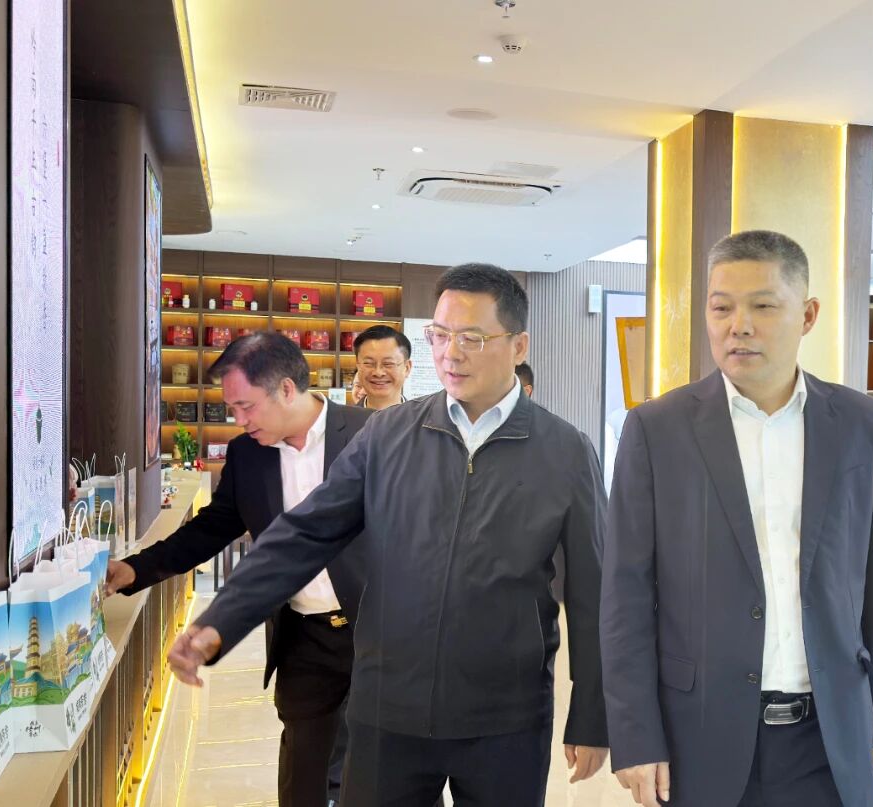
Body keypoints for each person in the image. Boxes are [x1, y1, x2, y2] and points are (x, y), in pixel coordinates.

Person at [164, 263, 610, 806]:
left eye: (471, 338)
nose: (451, 353)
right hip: (387, 710)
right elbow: (306, 532)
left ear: (518, 346)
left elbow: (593, 591)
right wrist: (222, 618)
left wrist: (593, 713)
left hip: (506, 718)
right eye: (440, 335)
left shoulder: (565, 451)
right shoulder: (388, 434)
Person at [601, 230, 873, 806]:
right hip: (701, 731)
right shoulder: (657, 429)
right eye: (721, 308)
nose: (737, 326)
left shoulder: (861, 424)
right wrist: (636, 735)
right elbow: (625, 596)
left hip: (833, 733)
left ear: (808, 315)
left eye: (763, 306)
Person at [106, 333, 373, 807]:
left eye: (246, 406)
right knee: (304, 769)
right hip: (303, 638)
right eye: (231, 408)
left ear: (286, 389)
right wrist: (135, 569)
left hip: (378, 631)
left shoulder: (371, 433)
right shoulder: (249, 453)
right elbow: (213, 528)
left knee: (388, 766)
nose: (239, 420)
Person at [353, 324, 413, 409]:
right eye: (369, 363)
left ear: (407, 368)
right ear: (358, 366)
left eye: (388, 364)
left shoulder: (424, 417)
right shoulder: (342, 417)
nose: (378, 373)